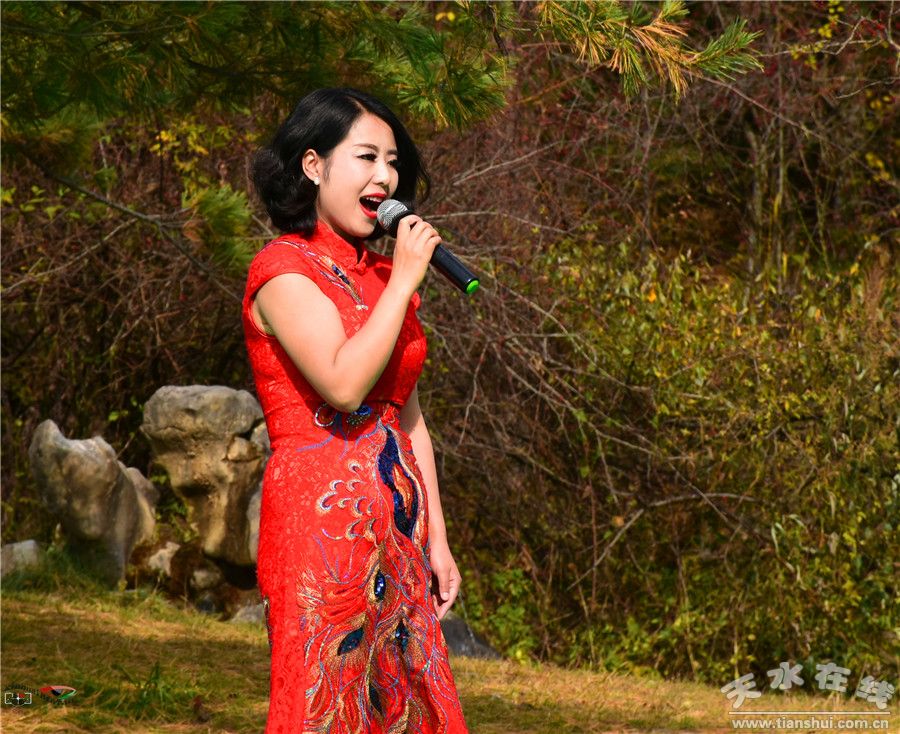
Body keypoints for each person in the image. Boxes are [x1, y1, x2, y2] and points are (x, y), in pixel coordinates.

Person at [243, 87, 469, 733]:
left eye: (393, 162)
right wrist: (404, 283)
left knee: (409, 705)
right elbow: (343, 385)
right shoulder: (283, 270)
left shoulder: (386, 278)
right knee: (327, 702)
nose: (386, 177)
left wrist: (437, 539)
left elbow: (407, 416)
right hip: (320, 528)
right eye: (367, 157)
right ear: (313, 166)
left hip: (400, 527)